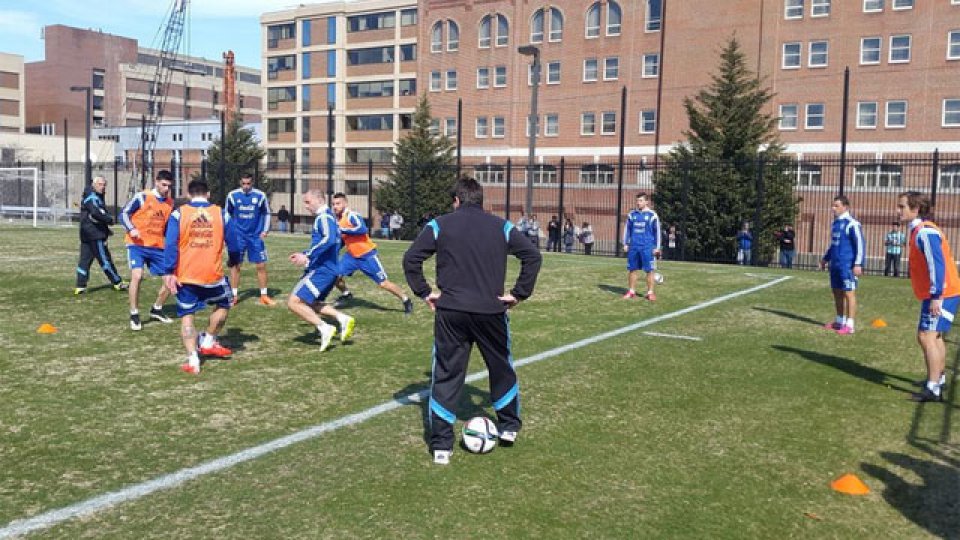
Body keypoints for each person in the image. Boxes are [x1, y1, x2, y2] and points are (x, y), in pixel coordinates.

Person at [403, 176, 542, 465]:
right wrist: (518, 294)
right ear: (481, 201)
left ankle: (442, 447)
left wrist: (425, 292)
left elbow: (411, 259)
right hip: (491, 311)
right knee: (500, 367)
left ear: (456, 201)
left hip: (451, 312)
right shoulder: (501, 225)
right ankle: (508, 428)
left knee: (446, 373)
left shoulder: (440, 224)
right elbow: (532, 255)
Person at [160, 179, 235, 375]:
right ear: (208, 194)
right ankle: (209, 339)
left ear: (189, 194)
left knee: (187, 317)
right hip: (213, 275)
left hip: (186, 276)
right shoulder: (220, 213)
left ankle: (193, 360)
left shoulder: (179, 213)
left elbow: (170, 244)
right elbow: (234, 242)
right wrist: (234, 259)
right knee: (225, 304)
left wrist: (168, 271)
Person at [897, 191, 957, 402]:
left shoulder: (925, 232)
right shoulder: (919, 230)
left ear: (916, 210)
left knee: (926, 336)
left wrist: (936, 296)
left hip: (943, 293)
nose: (898, 210)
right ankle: (938, 379)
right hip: (945, 292)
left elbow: (936, 265)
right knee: (936, 335)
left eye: (902, 206)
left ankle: (933, 388)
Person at [287, 189, 356, 352]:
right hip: (329, 269)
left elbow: (329, 240)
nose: (305, 206)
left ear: (319, 200)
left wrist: (308, 256)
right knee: (311, 302)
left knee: (293, 302)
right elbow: (332, 243)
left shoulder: (323, 217)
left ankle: (324, 327)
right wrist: (305, 254)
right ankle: (343, 318)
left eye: (307, 202)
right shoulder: (328, 218)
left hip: (322, 271)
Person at [330, 192, 414, 314]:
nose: (335, 206)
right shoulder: (338, 220)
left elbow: (362, 229)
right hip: (351, 256)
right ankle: (346, 294)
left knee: (383, 283)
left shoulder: (351, 215)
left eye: (338, 203)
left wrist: (341, 229)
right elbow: (344, 239)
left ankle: (406, 300)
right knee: (335, 276)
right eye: (333, 204)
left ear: (345, 203)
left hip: (367, 255)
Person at [121, 170, 174, 331]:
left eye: (169, 186)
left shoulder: (170, 203)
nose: (166, 189)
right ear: (156, 182)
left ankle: (157, 309)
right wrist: (131, 229)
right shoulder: (142, 196)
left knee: (171, 280)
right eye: (164, 185)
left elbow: (167, 228)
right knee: (137, 276)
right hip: (137, 244)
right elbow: (123, 213)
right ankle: (134, 314)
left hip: (157, 246)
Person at [226, 173, 276, 306]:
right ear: (240, 183)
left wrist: (265, 230)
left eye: (248, 184)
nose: (246, 186)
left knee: (261, 265)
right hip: (238, 236)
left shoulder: (260, 196)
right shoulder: (232, 196)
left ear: (252, 183)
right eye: (243, 183)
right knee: (236, 265)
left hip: (255, 236)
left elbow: (266, 212)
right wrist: (229, 232)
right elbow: (227, 215)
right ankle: (234, 296)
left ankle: (264, 295)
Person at [819, 195, 864, 335]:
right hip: (835, 265)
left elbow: (860, 245)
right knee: (836, 292)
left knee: (849, 293)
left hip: (847, 265)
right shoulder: (835, 224)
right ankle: (839, 321)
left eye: (836, 206)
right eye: (833, 205)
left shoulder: (852, 224)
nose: (833, 208)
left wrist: (858, 264)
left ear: (845, 207)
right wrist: (825, 258)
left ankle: (850, 325)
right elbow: (834, 244)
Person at [74, 176, 127, 295]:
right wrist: (109, 220)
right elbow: (96, 213)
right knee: (105, 259)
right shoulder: (92, 197)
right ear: (94, 184)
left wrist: (106, 230)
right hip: (94, 235)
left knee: (84, 261)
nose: (102, 187)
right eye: (100, 184)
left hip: (87, 233)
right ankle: (117, 282)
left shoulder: (93, 196)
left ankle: (80, 286)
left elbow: (92, 216)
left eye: (104, 185)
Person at [622, 193, 661, 301]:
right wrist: (625, 243)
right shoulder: (632, 214)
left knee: (649, 270)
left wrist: (657, 247)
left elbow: (657, 232)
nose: (638, 203)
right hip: (634, 247)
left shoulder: (652, 215)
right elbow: (627, 230)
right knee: (632, 269)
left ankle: (650, 293)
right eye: (637, 201)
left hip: (647, 247)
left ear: (646, 202)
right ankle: (631, 291)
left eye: (641, 201)